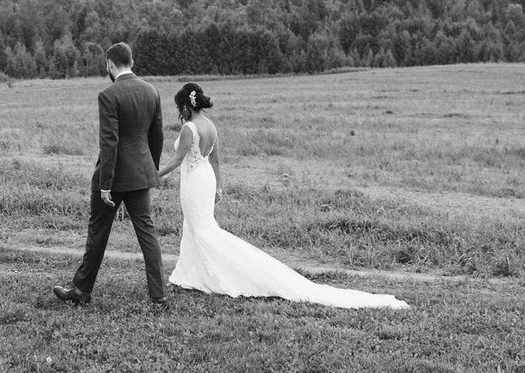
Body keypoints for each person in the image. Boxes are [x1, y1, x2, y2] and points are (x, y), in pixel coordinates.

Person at [159, 83, 408, 310]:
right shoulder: (211, 126)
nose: (179, 113)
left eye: (178, 108)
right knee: (195, 227)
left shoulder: (190, 129)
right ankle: (190, 274)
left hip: (193, 182)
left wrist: (155, 175)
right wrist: (219, 188)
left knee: (203, 231)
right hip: (206, 179)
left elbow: (178, 159)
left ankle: (223, 274)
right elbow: (215, 159)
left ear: (185, 106)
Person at [53, 42, 168, 310]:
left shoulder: (108, 94)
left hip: (113, 179)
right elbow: (157, 136)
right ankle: (159, 296)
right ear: (132, 62)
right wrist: (150, 169)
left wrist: (105, 185)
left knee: (98, 232)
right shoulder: (152, 91)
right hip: (140, 174)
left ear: (110, 64)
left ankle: (81, 290)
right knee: (147, 233)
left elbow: (110, 143)